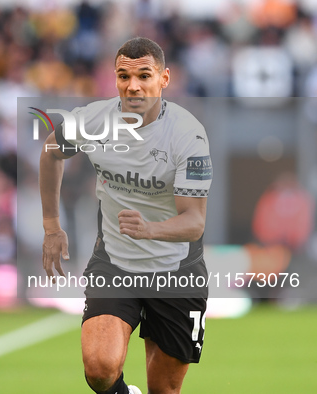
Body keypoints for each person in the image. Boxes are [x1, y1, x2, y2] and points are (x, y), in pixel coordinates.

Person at [40, 37, 212, 394]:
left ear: (164, 79)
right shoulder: (92, 120)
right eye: (123, 76)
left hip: (176, 269)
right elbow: (52, 152)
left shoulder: (189, 136)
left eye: (144, 76)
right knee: (100, 370)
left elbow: (195, 222)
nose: (132, 85)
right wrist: (52, 226)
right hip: (115, 263)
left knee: (164, 390)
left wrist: (149, 229)